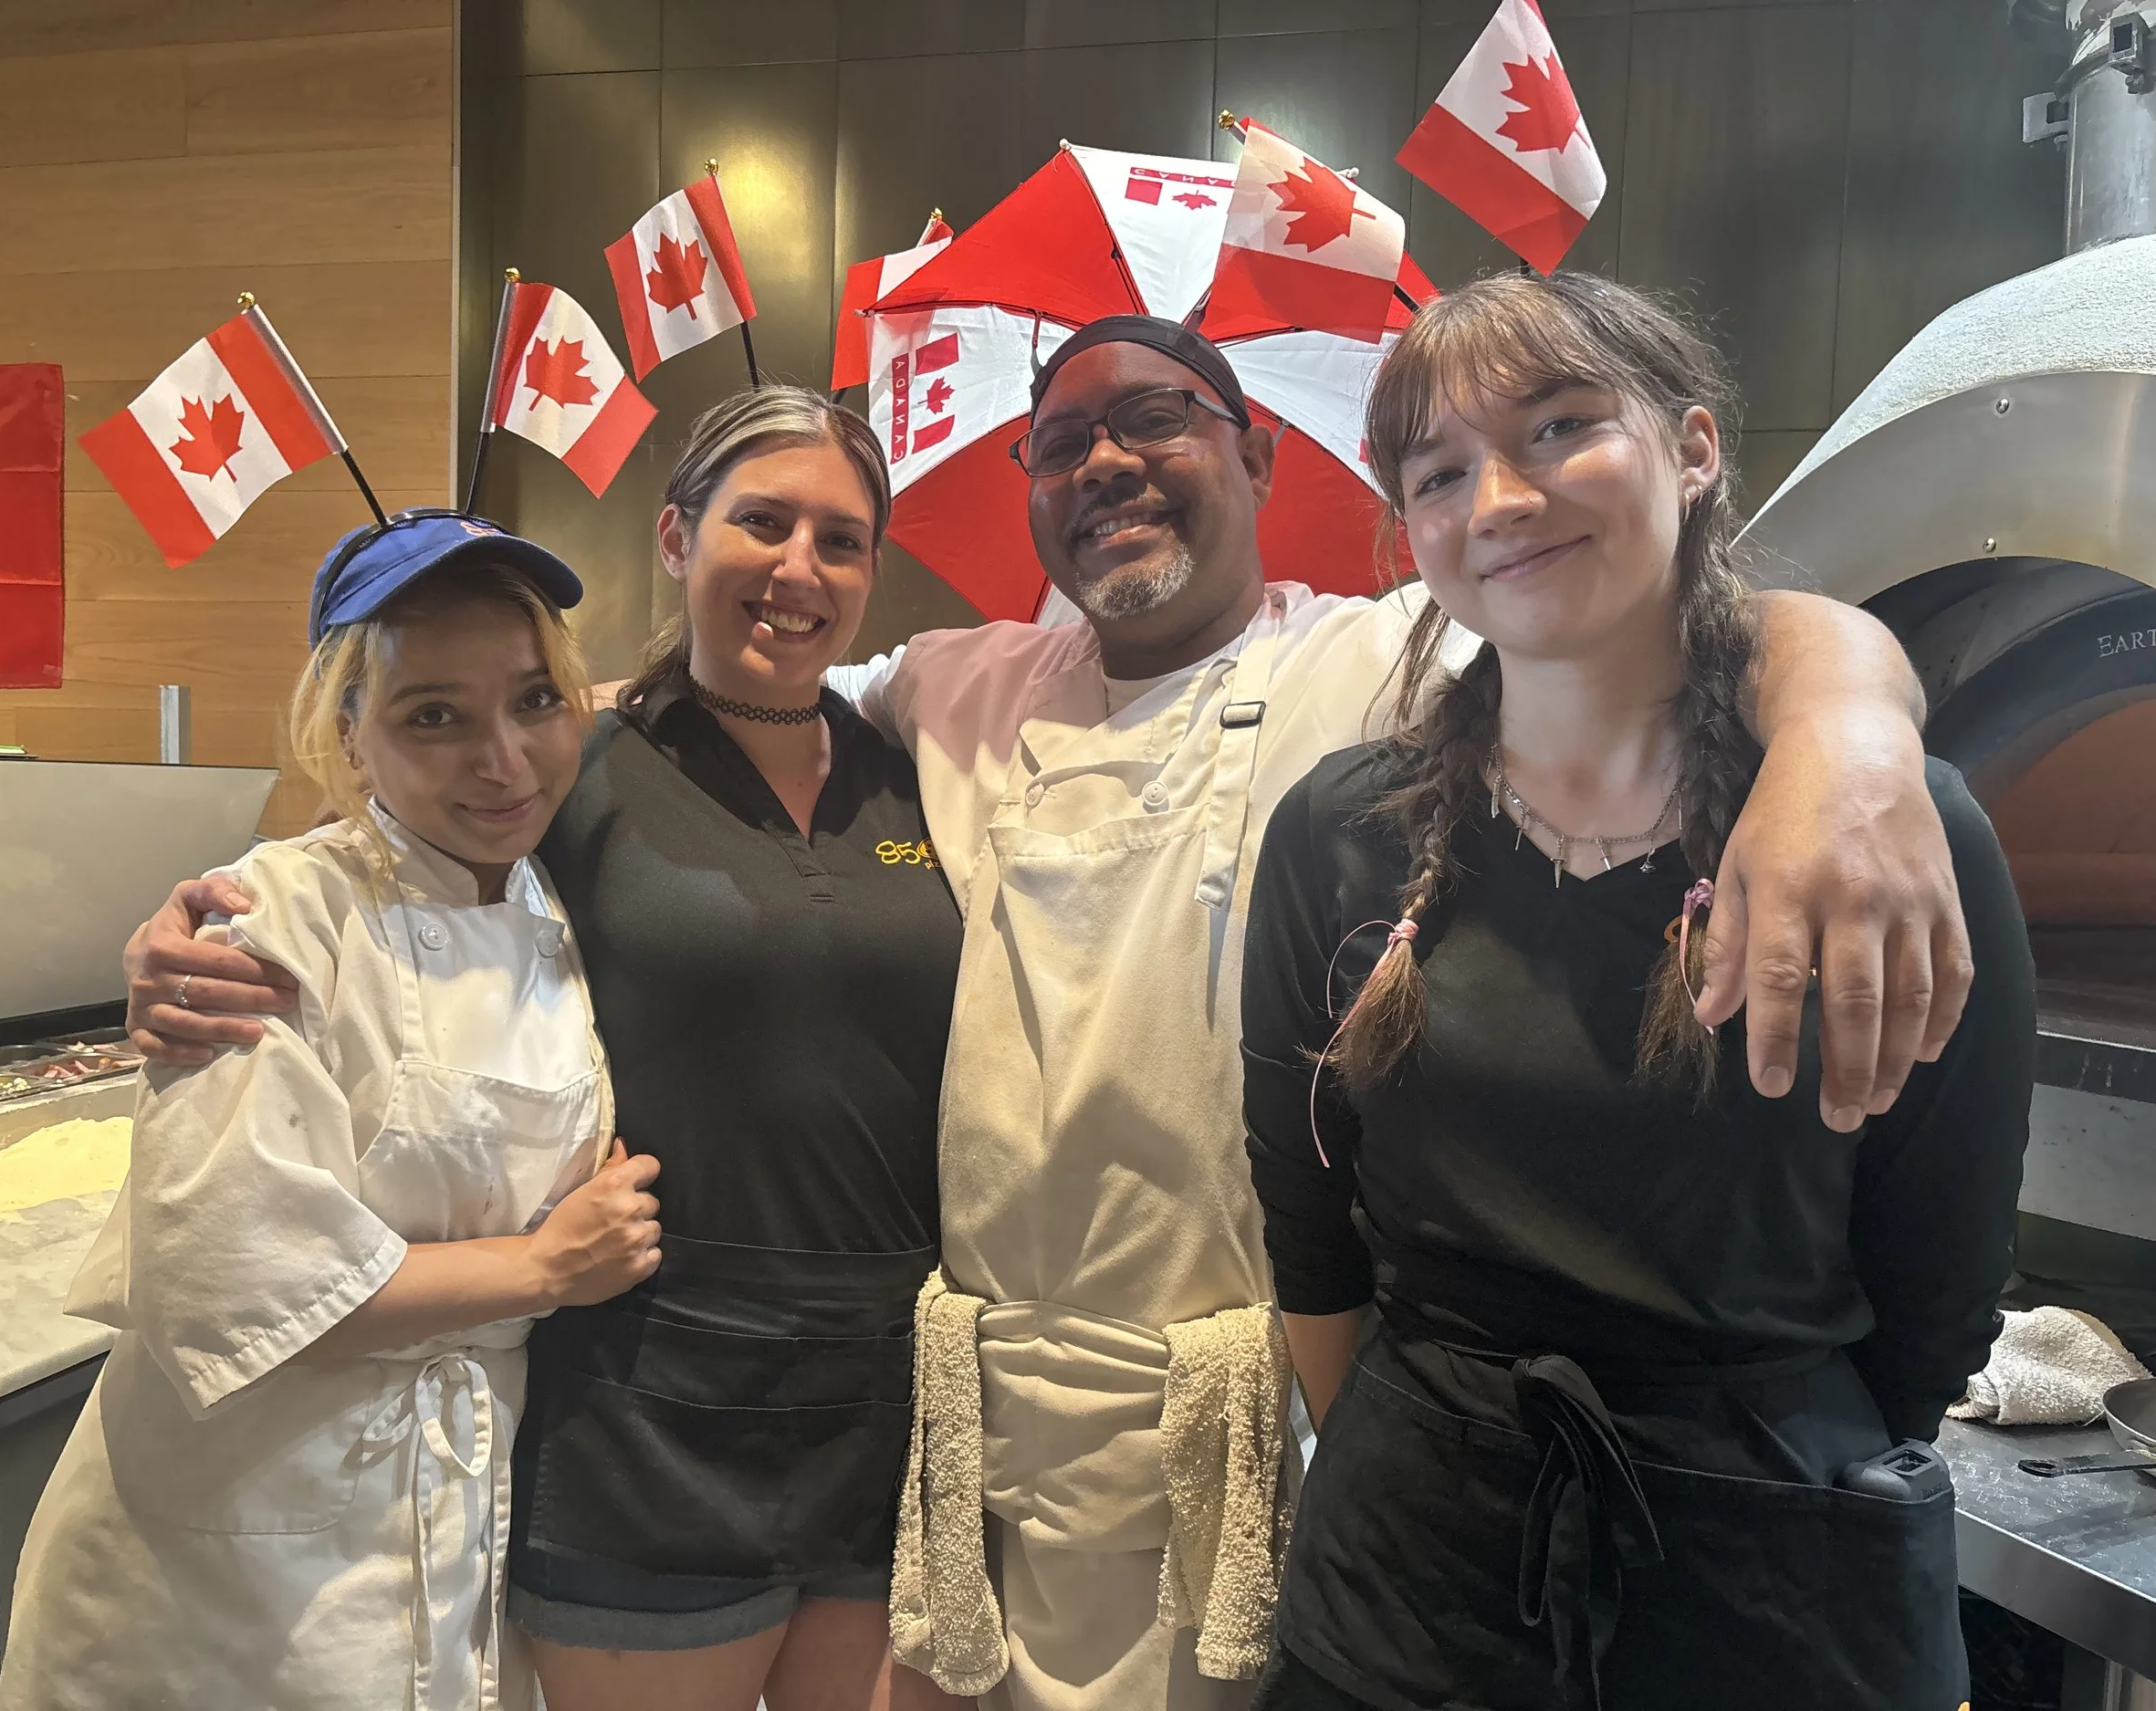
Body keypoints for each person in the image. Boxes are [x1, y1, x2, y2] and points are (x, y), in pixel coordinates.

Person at [132, 317, 1971, 1711]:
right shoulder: (947, 683)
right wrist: (227, 909)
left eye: (1152, 421)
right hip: (952, 1413)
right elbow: (540, 745)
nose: (1104, 464)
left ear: (1251, 457)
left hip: (1224, 1411)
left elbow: (1667, 616)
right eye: (1057, 442)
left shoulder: (1373, 656)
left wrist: (1851, 726)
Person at [1239, 274, 2033, 1711]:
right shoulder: (1337, 833)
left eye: (1557, 428)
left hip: (1776, 1598)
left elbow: (1944, 1275)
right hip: (1406, 1595)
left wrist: (1770, 1466)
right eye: (1438, 470)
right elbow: (1311, 1232)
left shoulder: (1890, 830)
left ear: (1693, 447)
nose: (1500, 497)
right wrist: (1423, 1468)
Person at [121, 389, 968, 1711]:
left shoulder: (925, 764)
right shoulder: (582, 766)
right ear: (679, 537)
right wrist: (195, 923)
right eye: (762, 521)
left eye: (841, 538)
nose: (799, 566)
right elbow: (377, 850)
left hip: (888, 1394)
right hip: (645, 1391)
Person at [0, 514, 665, 1711]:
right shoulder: (270, 923)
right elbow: (238, 1277)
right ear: (348, 737)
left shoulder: (538, 885)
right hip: (245, 1543)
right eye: (433, 717)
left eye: (533, 701)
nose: (504, 759)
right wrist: (547, 1266)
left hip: (456, 1516)